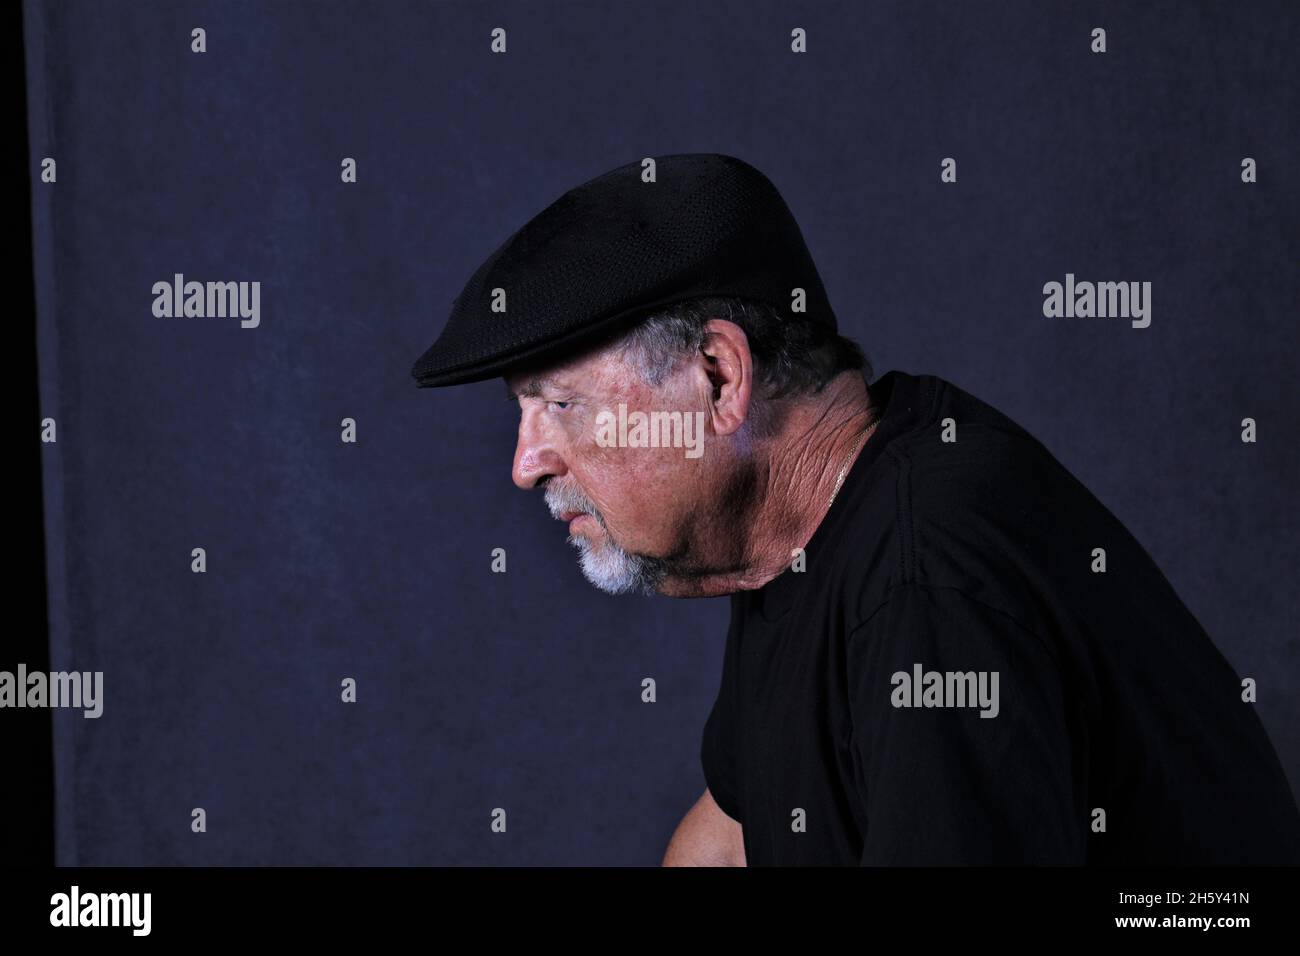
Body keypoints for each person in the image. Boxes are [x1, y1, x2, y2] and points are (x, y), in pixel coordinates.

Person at [412, 153, 1300, 865]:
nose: (526, 465)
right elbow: (727, 841)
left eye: (560, 406)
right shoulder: (795, 527)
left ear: (718, 380)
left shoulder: (928, 571)